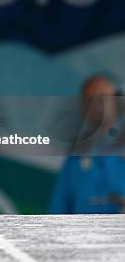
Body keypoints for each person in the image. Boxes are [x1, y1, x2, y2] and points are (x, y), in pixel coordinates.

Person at [49, 75, 125, 213]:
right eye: (90, 100)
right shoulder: (76, 154)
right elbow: (59, 207)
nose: (96, 105)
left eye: (102, 98)